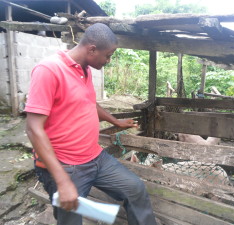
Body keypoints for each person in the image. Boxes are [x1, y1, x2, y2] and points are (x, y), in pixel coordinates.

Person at [25, 23, 157, 225]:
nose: (108, 61)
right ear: (92, 49)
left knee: (135, 189)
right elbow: (33, 129)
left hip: (95, 158)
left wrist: (115, 121)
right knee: (70, 219)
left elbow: (88, 103)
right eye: (108, 55)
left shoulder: (84, 70)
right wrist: (62, 181)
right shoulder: (49, 70)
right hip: (66, 166)